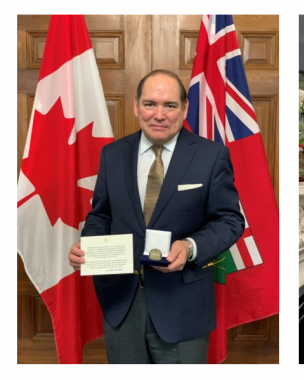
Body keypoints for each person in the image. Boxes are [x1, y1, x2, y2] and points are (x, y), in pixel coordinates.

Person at [67, 70, 245, 363]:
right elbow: (101, 215)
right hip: (122, 304)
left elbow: (230, 220)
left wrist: (189, 247)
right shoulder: (112, 155)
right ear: (136, 106)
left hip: (183, 306)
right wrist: (88, 249)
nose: (158, 114)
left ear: (184, 108)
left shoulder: (211, 156)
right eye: (150, 104)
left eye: (170, 105)